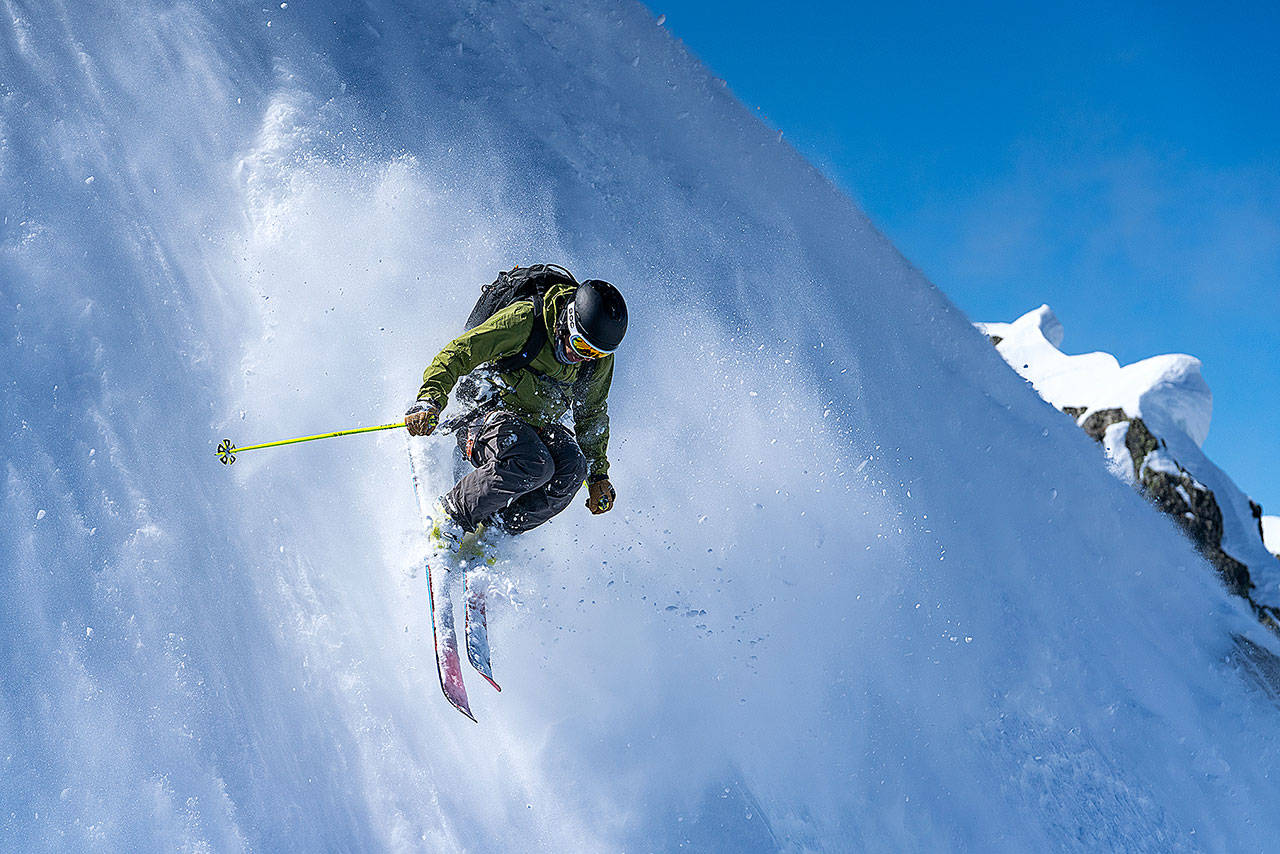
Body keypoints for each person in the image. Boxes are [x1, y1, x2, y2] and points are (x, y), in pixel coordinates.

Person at [405, 269, 626, 556]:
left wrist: (598, 476)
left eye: (595, 353)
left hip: (535, 424)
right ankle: (450, 515)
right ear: (567, 321)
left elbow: (592, 414)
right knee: (534, 462)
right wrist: (430, 399)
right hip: (482, 416)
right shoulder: (525, 322)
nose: (582, 357)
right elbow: (462, 351)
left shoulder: (594, 363)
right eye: (580, 345)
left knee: (572, 469)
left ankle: (498, 529)